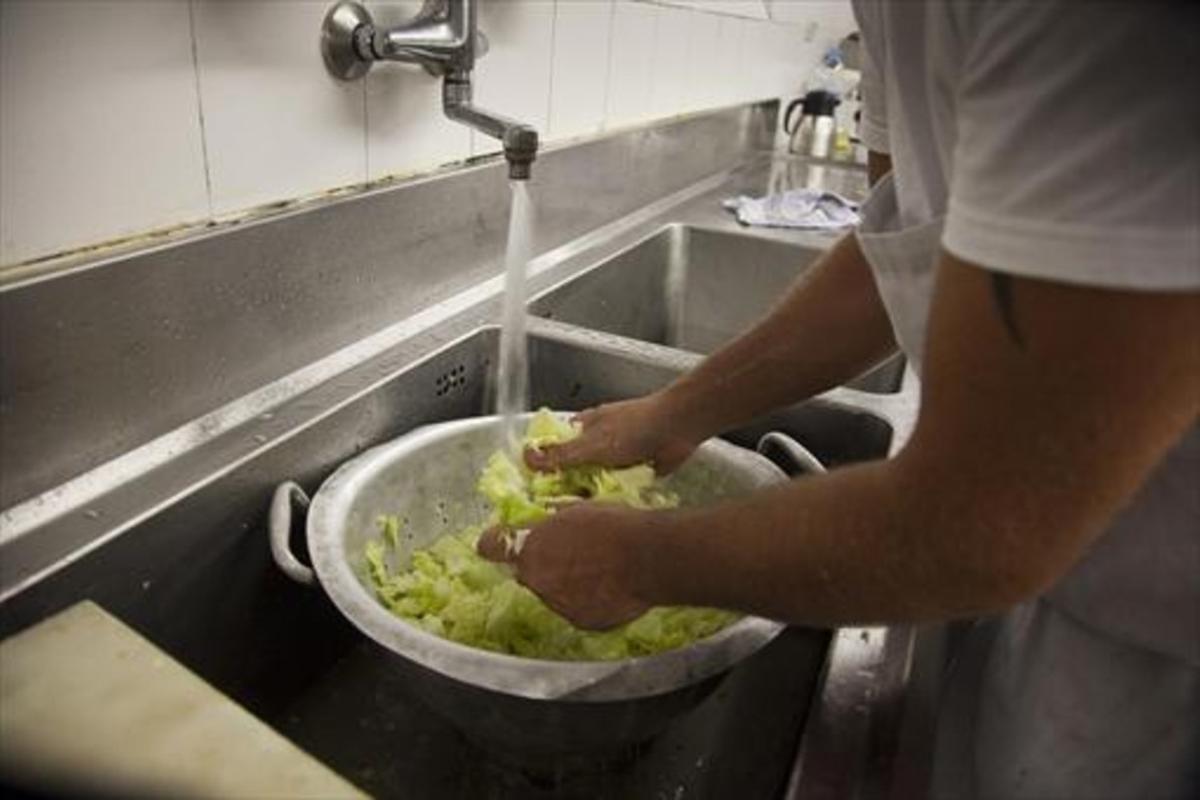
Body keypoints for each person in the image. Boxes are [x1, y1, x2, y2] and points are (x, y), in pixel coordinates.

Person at [480, 2, 1199, 797]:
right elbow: (898, 250)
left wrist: (634, 561)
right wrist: (678, 411)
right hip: (1064, 570)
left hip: (1163, 638)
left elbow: (982, 523)